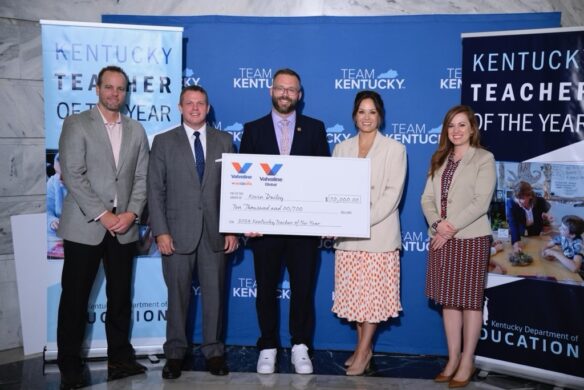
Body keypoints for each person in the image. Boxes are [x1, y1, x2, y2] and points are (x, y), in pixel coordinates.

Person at [56, 65, 149, 389]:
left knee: (120, 298)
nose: (114, 94)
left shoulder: (137, 130)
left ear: (126, 92)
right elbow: (73, 175)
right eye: (108, 87)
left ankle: (120, 360)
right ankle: (69, 365)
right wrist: (103, 215)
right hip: (86, 226)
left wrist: (131, 213)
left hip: (124, 228)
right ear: (97, 89)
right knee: (75, 299)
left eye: (120, 88)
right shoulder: (77, 123)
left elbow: (141, 179)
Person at [239, 68, 330, 375]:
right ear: (270, 90)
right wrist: (246, 219)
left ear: (299, 95)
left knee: (303, 289)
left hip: (303, 230)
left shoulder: (315, 129)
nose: (285, 94)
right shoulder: (253, 129)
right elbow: (245, 179)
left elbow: (324, 180)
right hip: (265, 230)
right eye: (281, 88)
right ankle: (267, 346)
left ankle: (300, 346)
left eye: (291, 90)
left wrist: (323, 220)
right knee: (266, 288)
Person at [148, 85, 238, 379]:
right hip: (175, 234)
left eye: (201, 103)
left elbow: (234, 190)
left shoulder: (225, 140)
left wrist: (232, 229)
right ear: (180, 107)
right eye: (189, 103)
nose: (195, 108)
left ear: (208, 108)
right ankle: (175, 354)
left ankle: (213, 353)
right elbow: (155, 190)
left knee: (214, 296)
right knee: (177, 298)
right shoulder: (163, 142)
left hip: (214, 233)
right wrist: (160, 231)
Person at [331, 90, 406, 376]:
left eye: (372, 112)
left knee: (373, 299)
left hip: (379, 235)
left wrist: (360, 220)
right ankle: (364, 346)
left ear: (380, 116)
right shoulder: (341, 149)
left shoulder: (394, 149)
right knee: (355, 297)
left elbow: (392, 195)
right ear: (354, 115)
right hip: (348, 239)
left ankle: (362, 352)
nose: (366, 117)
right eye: (362, 111)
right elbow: (334, 191)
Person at [421, 105, 496, 388]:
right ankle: (452, 359)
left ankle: (467, 360)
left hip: (471, 238)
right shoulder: (439, 158)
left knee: (470, 303)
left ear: (472, 128)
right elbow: (426, 199)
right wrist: (438, 223)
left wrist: (448, 227)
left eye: (462, 125)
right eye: (451, 125)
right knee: (449, 301)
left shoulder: (484, 158)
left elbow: (481, 202)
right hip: (441, 237)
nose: (456, 131)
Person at [505, 181, 552, 253]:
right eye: (518, 201)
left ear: (530, 196)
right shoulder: (511, 203)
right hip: (520, 234)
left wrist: (546, 217)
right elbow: (512, 223)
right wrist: (516, 242)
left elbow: (544, 214)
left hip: (536, 234)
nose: (520, 205)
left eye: (522, 201)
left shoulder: (540, 201)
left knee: (535, 253)